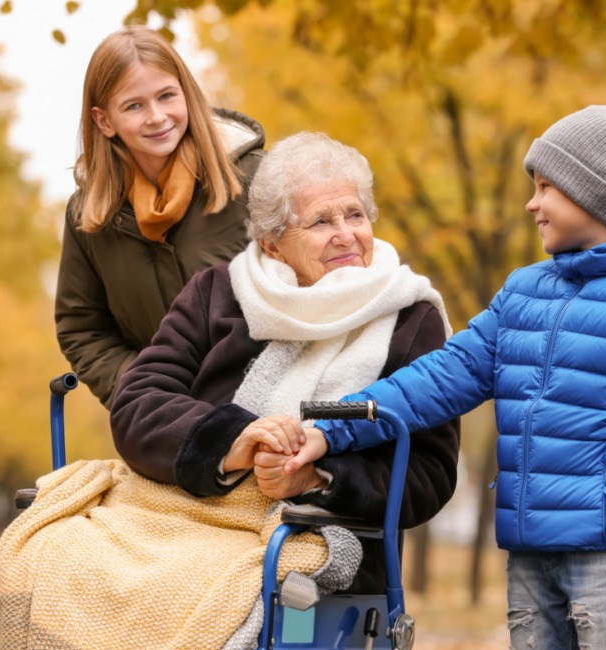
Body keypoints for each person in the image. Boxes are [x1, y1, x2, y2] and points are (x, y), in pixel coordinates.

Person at [282, 107, 606, 650]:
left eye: (546, 187)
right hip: (529, 553)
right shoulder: (524, 292)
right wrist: (333, 431)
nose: (532, 203)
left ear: (598, 195)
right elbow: (441, 377)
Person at [110, 131, 461, 593]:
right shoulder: (217, 292)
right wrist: (234, 442)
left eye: (355, 214)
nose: (346, 235)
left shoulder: (411, 316)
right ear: (273, 244)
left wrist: (315, 478)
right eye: (319, 222)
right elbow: (137, 402)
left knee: (211, 588)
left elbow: (429, 472)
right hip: (187, 518)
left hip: (326, 542)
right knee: (57, 559)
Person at [56, 25, 265, 409]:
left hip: (274, 404)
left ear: (186, 93)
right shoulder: (88, 217)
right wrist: (144, 392)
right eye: (134, 105)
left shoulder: (254, 179)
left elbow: (312, 282)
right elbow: (82, 327)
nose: (156, 116)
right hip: (168, 424)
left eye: (166, 96)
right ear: (104, 121)